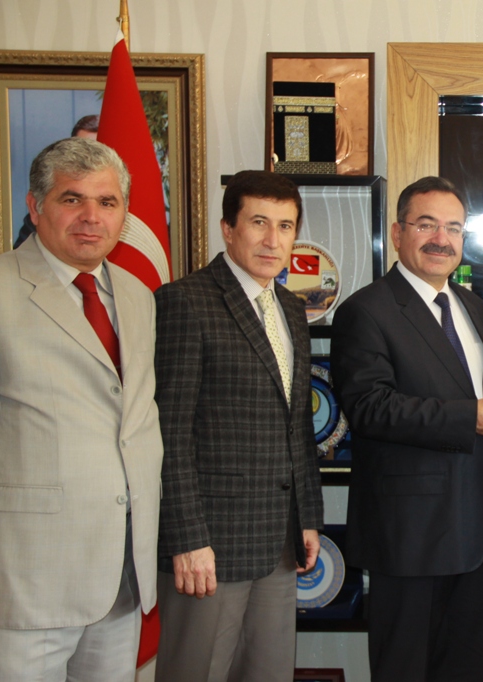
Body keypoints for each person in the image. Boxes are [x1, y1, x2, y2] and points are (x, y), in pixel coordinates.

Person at [330, 176, 483, 682]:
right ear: (397, 233)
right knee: (405, 670)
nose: (441, 239)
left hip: (476, 527)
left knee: (467, 668)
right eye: (426, 224)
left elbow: (481, 392)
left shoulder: (470, 306)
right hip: (409, 534)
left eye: (453, 228)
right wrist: (472, 416)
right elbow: (370, 408)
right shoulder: (365, 311)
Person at [0, 137, 163, 680]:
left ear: (124, 214)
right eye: (72, 199)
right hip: (25, 577)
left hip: (122, 575)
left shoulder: (137, 296)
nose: (92, 216)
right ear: (35, 206)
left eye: (107, 202)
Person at [153, 170, 324, 681]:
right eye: (258, 223)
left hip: (279, 539)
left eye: (285, 226)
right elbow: (169, 433)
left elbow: (296, 424)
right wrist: (187, 538)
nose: (273, 240)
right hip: (210, 545)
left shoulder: (291, 307)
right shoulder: (185, 301)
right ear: (228, 229)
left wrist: (307, 517)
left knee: (268, 672)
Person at [14, 115, 101, 249]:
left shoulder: (132, 209)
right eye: (84, 151)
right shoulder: (44, 212)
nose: (90, 160)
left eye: (98, 152)